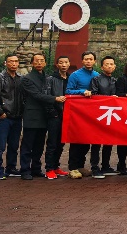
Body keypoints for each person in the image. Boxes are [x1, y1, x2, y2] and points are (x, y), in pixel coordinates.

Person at [19, 53, 66, 180]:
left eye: (42, 61)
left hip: (45, 115)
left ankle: (36, 168)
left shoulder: (47, 77)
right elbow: (36, 95)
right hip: (32, 115)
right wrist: (55, 98)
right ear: (32, 63)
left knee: (39, 145)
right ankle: (25, 170)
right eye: (36, 61)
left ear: (45, 63)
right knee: (28, 144)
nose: (39, 63)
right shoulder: (27, 79)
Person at [0, 53, 24, 180]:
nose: (14, 64)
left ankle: (11, 168)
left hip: (17, 117)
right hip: (4, 118)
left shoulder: (20, 78)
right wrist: (0, 113)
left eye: (16, 61)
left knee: (14, 146)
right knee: (0, 146)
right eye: (11, 61)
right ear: (6, 63)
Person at [65, 51, 99, 179]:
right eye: (86, 59)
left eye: (91, 59)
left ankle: (80, 166)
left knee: (87, 140)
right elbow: (68, 91)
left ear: (94, 61)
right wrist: (82, 91)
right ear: (82, 61)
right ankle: (72, 167)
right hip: (78, 113)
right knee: (77, 140)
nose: (88, 61)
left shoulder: (97, 75)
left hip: (92, 113)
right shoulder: (75, 75)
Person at [89, 56, 119, 178]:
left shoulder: (115, 80)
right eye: (107, 64)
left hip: (111, 115)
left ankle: (106, 166)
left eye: (112, 64)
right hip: (99, 115)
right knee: (96, 142)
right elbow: (94, 95)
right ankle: (94, 167)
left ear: (115, 67)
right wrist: (109, 99)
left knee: (109, 141)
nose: (109, 66)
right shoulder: (96, 79)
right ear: (102, 67)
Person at [44, 55, 71, 179]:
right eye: (61, 62)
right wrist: (52, 112)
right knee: (52, 143)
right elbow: (46, 96)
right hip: (55, 115)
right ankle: (49, 168)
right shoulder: (50, 79)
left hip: (67, 115)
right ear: (57, 65)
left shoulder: (71, 79)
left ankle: (56, 166)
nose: (63, 65)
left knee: (61, 142)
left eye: (66, 62)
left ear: (69, 64)